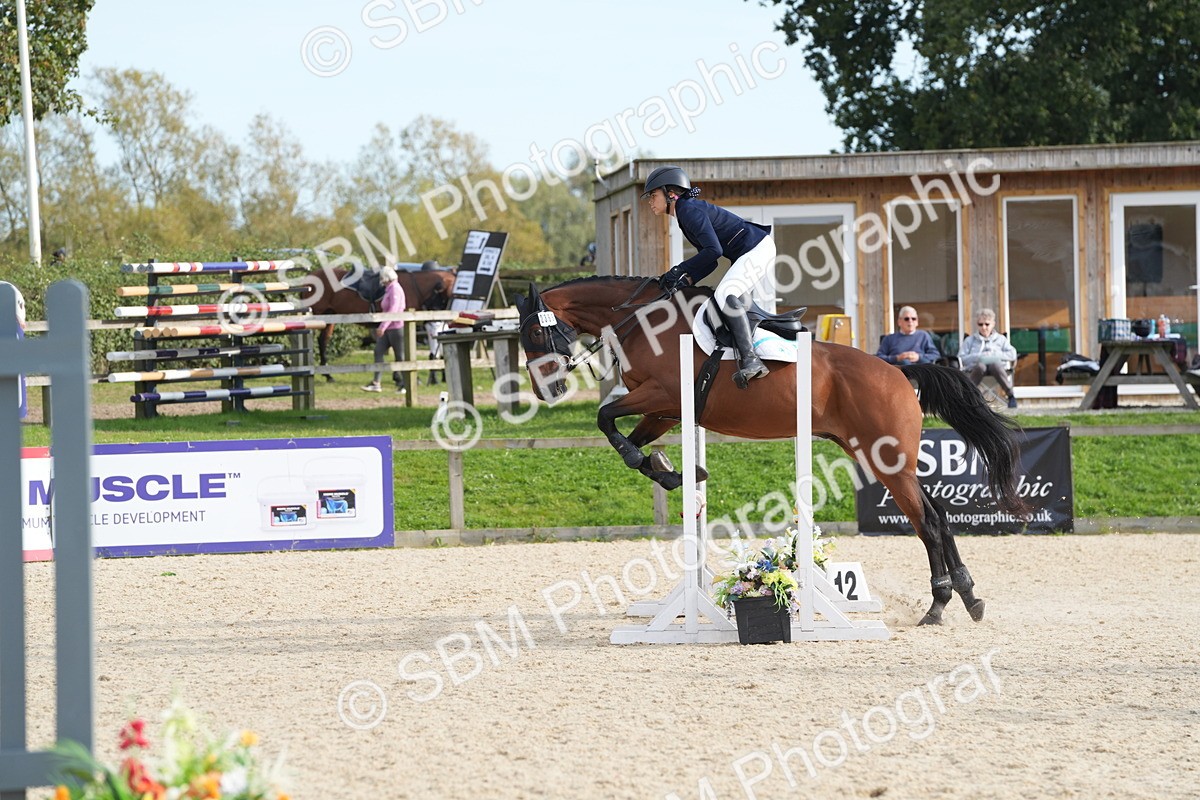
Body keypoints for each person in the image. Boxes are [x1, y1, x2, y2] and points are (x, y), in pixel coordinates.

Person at [643, 166, 776, 388]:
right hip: (751, 250)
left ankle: (751, 360)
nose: (650, 201)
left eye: (653, 195)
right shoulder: (685, 212)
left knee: (726, 294)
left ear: (671, 194)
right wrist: (686, 279)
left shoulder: (688, 211)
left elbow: (713, 251)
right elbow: (710, 259)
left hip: (757, 248)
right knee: (724, 298)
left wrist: (679, 268)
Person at [959, 308, 1018, 408]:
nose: (984, 327)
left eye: (987, 324)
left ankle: (1011, 395)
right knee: (981, 366)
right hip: (976, 369)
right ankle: (967, 396)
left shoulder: (1001, 339)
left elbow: (1012, 354)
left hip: (997, 369)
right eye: (980, 324)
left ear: (993, 324)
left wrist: (994, 355)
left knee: (995, 364)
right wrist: (978, 356)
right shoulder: (970, 340)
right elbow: (961, 357)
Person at [361, 266, 407, 393]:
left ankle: (405, 384)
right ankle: (376, 382)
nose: (381, 280)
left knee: (400, 356)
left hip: (395, 328)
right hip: (388, 328)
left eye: (382, 277)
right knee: (378, 351)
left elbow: (393, 310)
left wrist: (382, 326)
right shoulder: (388, 289)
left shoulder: (395, 290)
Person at [876, 306, 941, 365]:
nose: (910, 321)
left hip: (920, 370)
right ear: (899, 322)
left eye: (913, 319)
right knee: (905, 362)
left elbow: (935, 355)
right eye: (906, 319)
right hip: (899, 372)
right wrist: (897, 358)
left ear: (917, 322)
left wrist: (919, 357)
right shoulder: (889, 338)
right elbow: (879, 357)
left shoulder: (924, 335)